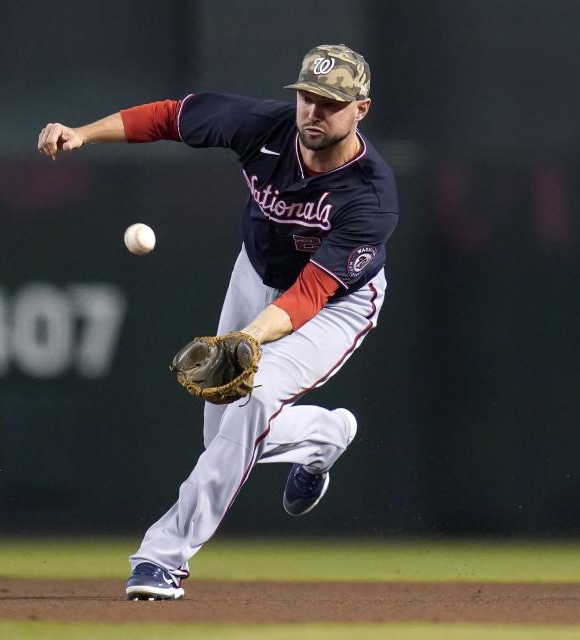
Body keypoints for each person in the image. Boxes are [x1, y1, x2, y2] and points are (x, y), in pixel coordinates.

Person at [37, 44, 398, 600]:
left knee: (249, 403)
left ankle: (162, 558)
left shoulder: (371, 194)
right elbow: (170, 117)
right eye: (307, 97)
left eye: (330, 103)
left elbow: (310, 294)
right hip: (257, 272)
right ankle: (326, 435)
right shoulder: (261, 126)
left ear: (360, 110)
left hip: (337, 303)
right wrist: (83, 134)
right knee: (226, 434)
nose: (313, 111)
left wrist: (247, 339)